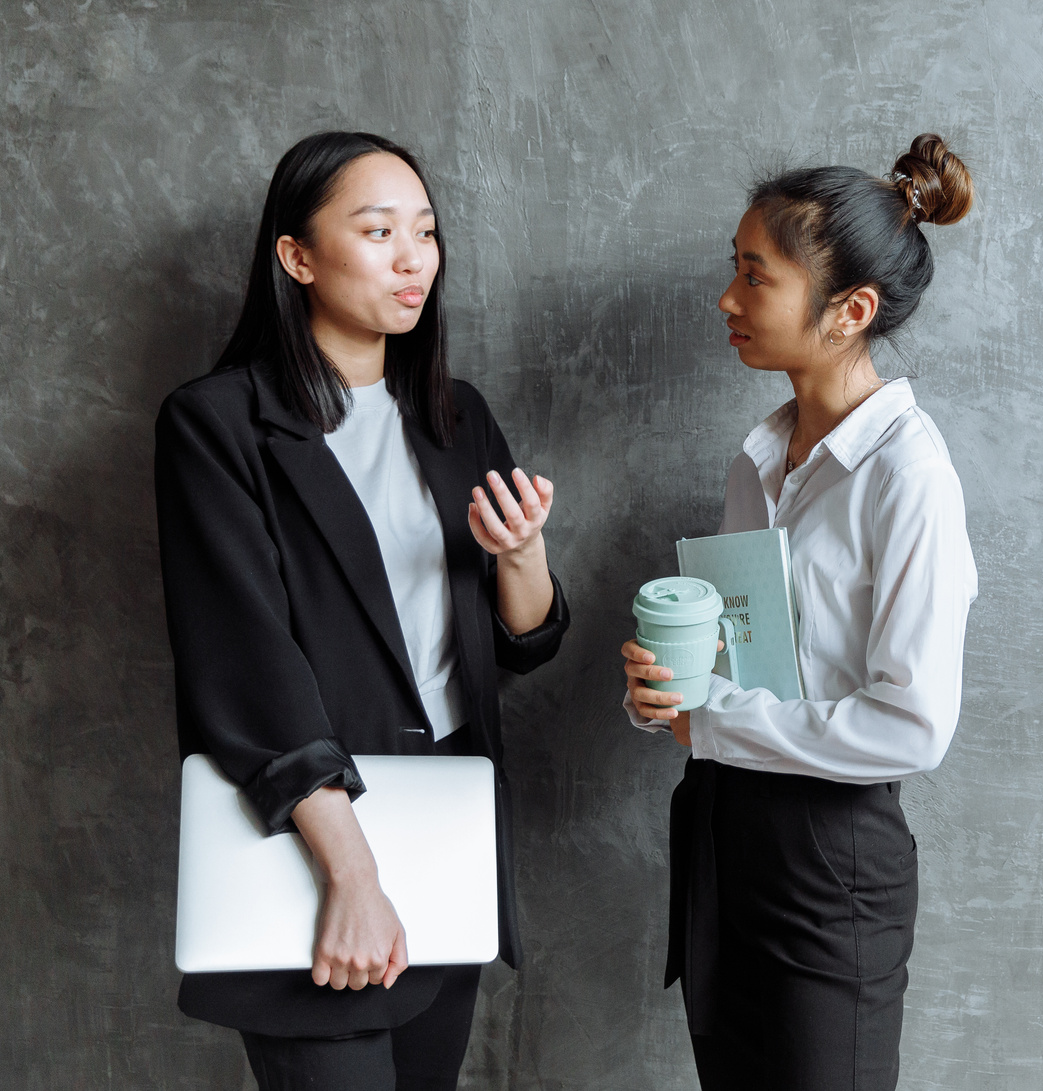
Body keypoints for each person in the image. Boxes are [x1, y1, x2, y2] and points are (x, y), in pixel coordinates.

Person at [155, 131, 569, 1090]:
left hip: (444, 827)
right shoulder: (217, 424)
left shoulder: (455, 416)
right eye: (378, 230)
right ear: (296, 257)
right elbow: (243, 664)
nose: (412, 256)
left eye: (424, 231)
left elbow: (522, 641)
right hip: (311, 834)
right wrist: (351, 874)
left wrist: (524, 556)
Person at [622, 133, 980, 1090]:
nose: (728, 301)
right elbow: (755, 663)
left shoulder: (909, 474)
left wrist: (712, 718)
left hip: (832, 867)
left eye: (755, 276)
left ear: (849, 311)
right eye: (732, 271)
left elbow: (913, 723)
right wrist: (670, 687)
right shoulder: (762, 456)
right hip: (725, 841)